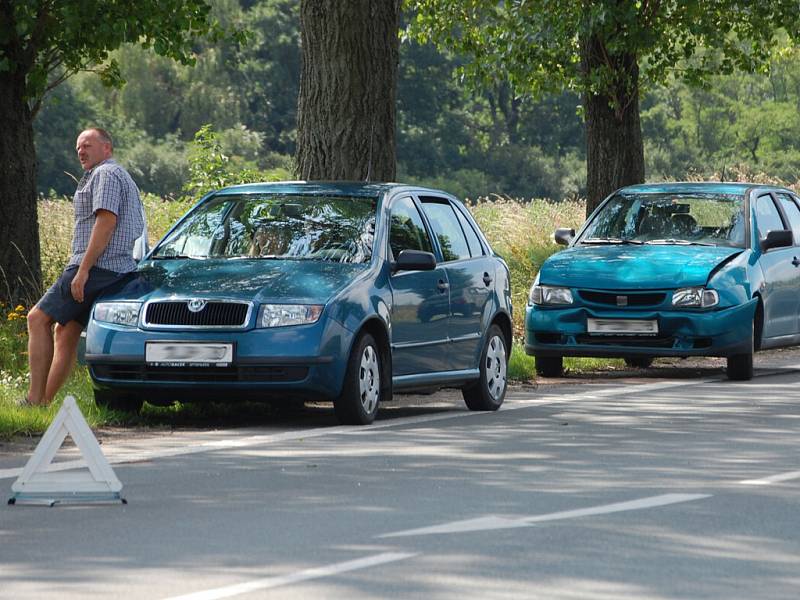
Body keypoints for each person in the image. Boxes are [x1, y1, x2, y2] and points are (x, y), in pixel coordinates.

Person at [22, 128, 144, 406]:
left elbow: (106, 222)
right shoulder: (111, 174)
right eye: (78, 147)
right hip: (116, 270)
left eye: (88, 145)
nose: (81, 151)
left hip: (98, 268)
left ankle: (33, 399)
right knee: (65, 332)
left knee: (37, 319)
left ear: (107, 148)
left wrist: (83, 270)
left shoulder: (106, 174)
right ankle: (43, 403)